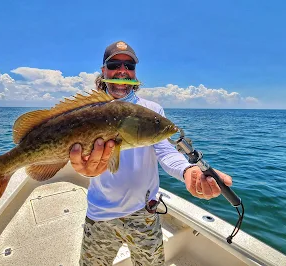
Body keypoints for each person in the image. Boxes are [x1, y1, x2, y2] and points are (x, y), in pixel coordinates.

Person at [69, 41, 233, 266]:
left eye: (129, 66)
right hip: (100, 213)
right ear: (104, 71)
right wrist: (83, 168)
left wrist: (187, 170)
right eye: (115, 64)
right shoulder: (86, 112)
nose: (122, 71)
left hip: (144, 213)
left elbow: (165, 150)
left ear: (135, 73)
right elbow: (78, 154)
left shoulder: (152, 111)